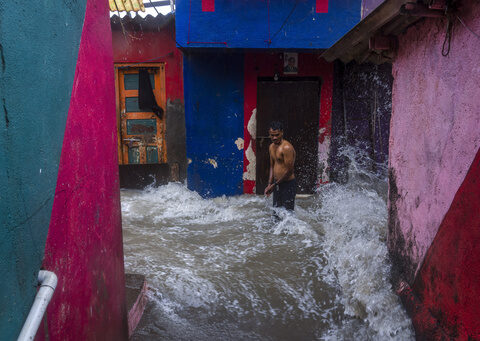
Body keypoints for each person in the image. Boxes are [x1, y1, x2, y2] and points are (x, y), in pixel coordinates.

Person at [264, 121, 296, 211]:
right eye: (272, 135)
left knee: (288, 213)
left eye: (277, 135)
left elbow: (290, 171)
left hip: (288, 184)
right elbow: (272, 165)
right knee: (276, 212)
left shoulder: (286, 148)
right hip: (276, 183)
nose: (274, 138)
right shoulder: (271, 147)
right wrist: (269, 184)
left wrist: (274, 184)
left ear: (282, 133)